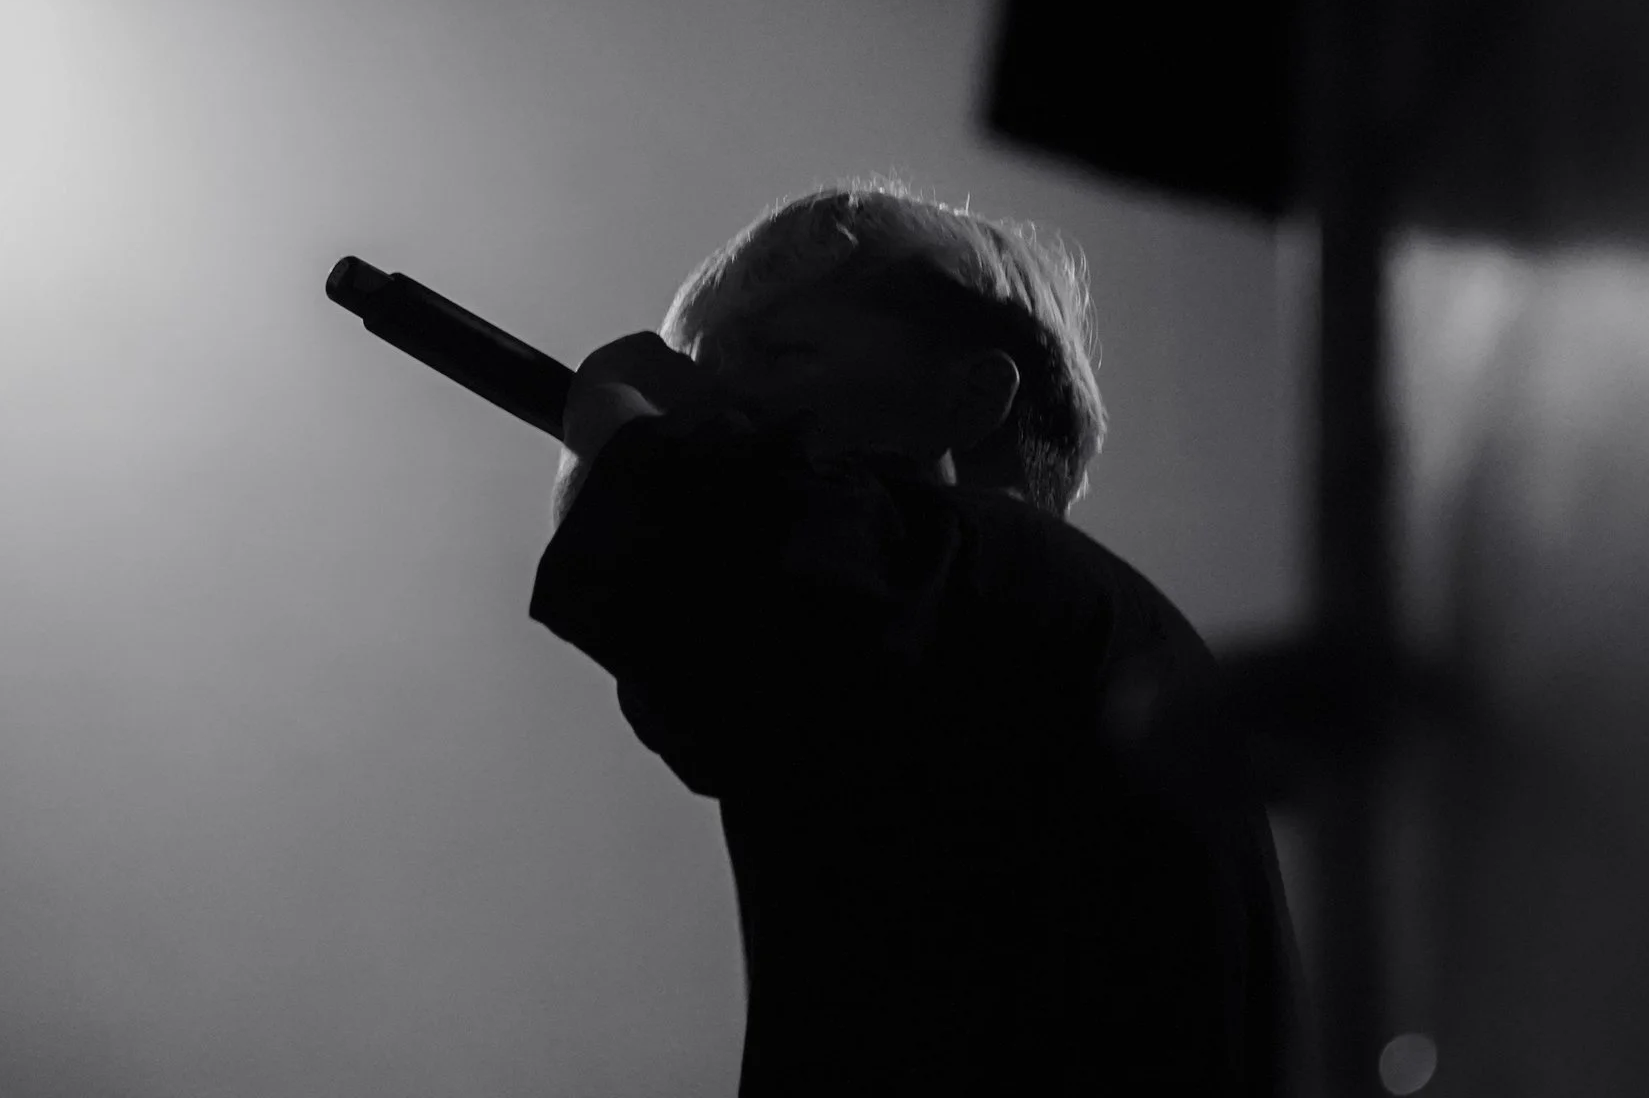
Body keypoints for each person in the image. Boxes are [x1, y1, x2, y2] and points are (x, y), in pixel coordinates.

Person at [530, 177, 1296, 1095]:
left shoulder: (976, 568)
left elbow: (715, 595)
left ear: (969, 397)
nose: (721, 401)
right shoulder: (1055, 612)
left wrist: (614, 421)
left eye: (783, 355)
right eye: (710, 365)